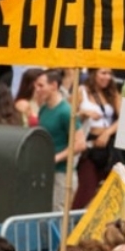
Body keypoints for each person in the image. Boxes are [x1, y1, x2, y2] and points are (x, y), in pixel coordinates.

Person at [35, 69, 85, 211]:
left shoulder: (66, 111)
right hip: (47, 172)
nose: (37, 90)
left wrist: (56, 158)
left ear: (54, 86)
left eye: (41, 86)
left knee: (57, 216)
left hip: (62, 175)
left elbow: (80, 144)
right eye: (36, 86)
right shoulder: (43, 109)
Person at [73, 68, 122, 208]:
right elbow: (70, 116)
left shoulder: (112, 93)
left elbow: (123, 117)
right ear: (94, 74)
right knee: (86, 188)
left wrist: (107, 133)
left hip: (108, 144)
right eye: (103, 73)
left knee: (113, 188)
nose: (107, 77)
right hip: (89, 143)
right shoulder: (81, 91)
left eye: (109, 74)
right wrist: (83, 113)